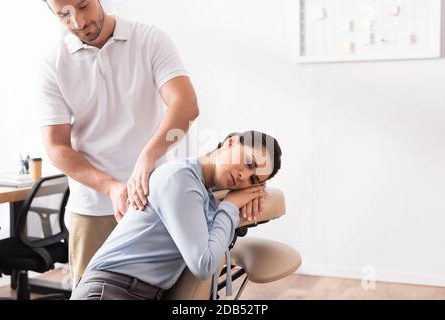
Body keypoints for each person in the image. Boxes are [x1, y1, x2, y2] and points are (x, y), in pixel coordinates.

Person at [39, 0, 199, 288]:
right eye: (64, 15)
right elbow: (56, 147)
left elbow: (185, 105)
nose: (77, 22)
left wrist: (147, 157)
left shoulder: (149, 38)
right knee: (91, 293)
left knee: (156, 292)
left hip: (153, 201)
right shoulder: (53, 61)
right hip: (91, 210)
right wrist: (111, 186)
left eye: (83, 5)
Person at [70, 131, 282, 300]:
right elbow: (203, 264)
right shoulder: (181, 179)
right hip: (111, 291)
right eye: (248, 163)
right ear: (230, 143)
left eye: (253, 181)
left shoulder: (204, 192)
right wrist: (230, 207)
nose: (243, 176)